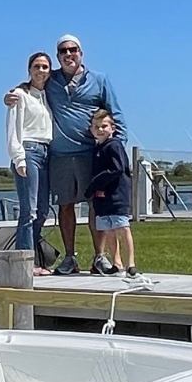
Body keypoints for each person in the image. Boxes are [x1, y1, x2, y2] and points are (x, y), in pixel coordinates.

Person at [5, 34, 126, 274]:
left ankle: (99, 257)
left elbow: (116, 115)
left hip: (91, 154)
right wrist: (11, 95)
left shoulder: (100, 80)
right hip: (59, 155)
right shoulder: (52, 79)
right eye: (63, 51)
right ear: (58, 56)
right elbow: (32, 84)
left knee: (96, 205)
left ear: (81, 52)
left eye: (73, 50)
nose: (68, 54)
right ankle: (70, 257)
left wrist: (117, 150)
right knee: (65, 206)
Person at [4, 51, 54, 274]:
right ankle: (26, 260)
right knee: (29, 209)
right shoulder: (19, 95)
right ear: (29, 70)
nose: (41, 71)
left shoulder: (49, 96)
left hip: (47, 152)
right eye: (37, 66)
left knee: (42, 209)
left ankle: (32, 256)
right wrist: (19, 157)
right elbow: (13, 128)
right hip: (29, 151)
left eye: (45, 67)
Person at [87, 108, 136, 276]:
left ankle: (131, 264)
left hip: (117, 196)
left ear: (112, 128)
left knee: (123, 228)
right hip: (102, 198)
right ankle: (117, 263)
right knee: (108, 230)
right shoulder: (97, 148)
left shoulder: (114, 145)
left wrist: (95, 183)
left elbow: (117, 169)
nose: (100, 130)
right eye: (96, 126)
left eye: (104, 126)